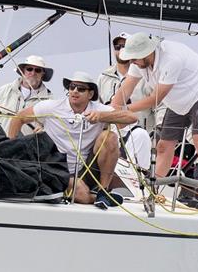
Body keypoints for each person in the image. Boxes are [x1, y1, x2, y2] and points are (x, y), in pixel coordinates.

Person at [112, 32, 198, 208]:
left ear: (146, 53)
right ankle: (152, 191)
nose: (131, 63)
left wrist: (125, 110)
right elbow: (126, 88)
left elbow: (156, 98)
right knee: (163, 145)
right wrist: (112, 109)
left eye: (134, 59)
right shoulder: (137, 62)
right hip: (178, 97)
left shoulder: (172, 59)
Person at [7, 71, 137, 208]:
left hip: (87, 169)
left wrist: (101, 116)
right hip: (58, 170)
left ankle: (103, 191)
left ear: (90, 94)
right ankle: (95, 197)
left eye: (81, 89)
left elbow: (132, 118)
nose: (75, 91)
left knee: (109, 137)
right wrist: (10, 152)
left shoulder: (98, 109)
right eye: (71, 87)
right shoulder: (51, 106)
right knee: (80, 194)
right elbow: (19, 118)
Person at [98, 32, 161, 131]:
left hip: (142, 134)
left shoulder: (147, 76)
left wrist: (159, 129)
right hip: (113, 136)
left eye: (124, 46)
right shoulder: (103, 77)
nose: (121, 50)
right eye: (117, 47)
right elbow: (97, 105)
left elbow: (159, 104)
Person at [0, 55, 53, 136]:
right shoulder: (3, 90)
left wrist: (44, 130)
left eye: (38, 70)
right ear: (23, 71)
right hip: (0, 145)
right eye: (29, 69)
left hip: (28, 147)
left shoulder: (50, 101)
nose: (33, 73)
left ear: (42, 74)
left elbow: (54, 128)